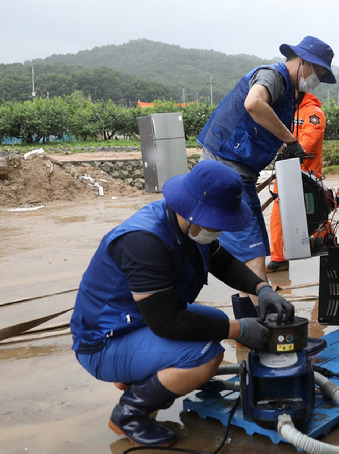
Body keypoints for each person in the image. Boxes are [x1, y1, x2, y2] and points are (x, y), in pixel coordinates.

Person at [70, 160, 294, 447]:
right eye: (217, 222)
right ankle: (129, 413)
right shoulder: (144, 241)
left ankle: (143, 377)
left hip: (136, 321)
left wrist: (262, 289)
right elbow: (166, 322)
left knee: (212, 320)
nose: (220, 230)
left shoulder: (188, 225)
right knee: (206, 354)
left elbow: (221, 261)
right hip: (103, 342)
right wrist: (239, 329)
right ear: (193, 210)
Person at [196, 35, 336, 314]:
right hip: (225, 170)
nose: (316, 81)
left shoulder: (292, 95)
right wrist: (290, 140)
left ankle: (250, 329)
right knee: (254, 253)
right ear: (304, 63)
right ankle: (273, 328)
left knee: (249, 250)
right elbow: (253, 103)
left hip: (239, 173)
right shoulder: (274, 76)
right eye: (317, 74)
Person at [267, 91, 327, 273]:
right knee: (278, 212)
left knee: (318, 212)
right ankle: (278, 258)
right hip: (286, 171)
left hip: (307, 175)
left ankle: (326, 247)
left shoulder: (314, 113)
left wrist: (291, 152)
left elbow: (310, 138)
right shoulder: (284, 111)